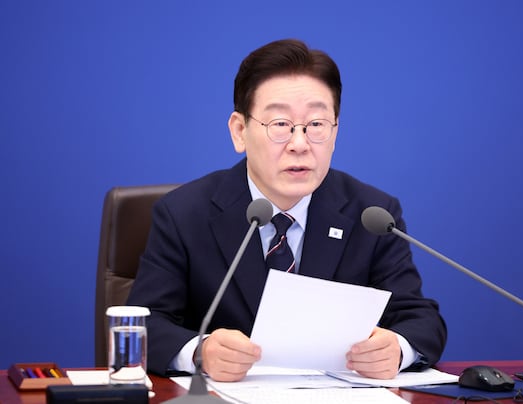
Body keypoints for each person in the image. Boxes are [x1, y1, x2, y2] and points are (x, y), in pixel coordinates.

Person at [127, 38, 447, 382]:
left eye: (316, 125)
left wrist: (396, 348)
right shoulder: (184, 214)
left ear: (335, 131)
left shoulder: (373, 215)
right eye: (280, 124)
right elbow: (142, 323)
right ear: (240, 131)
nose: (299, 144)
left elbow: (420, 319)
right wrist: (199, 351)